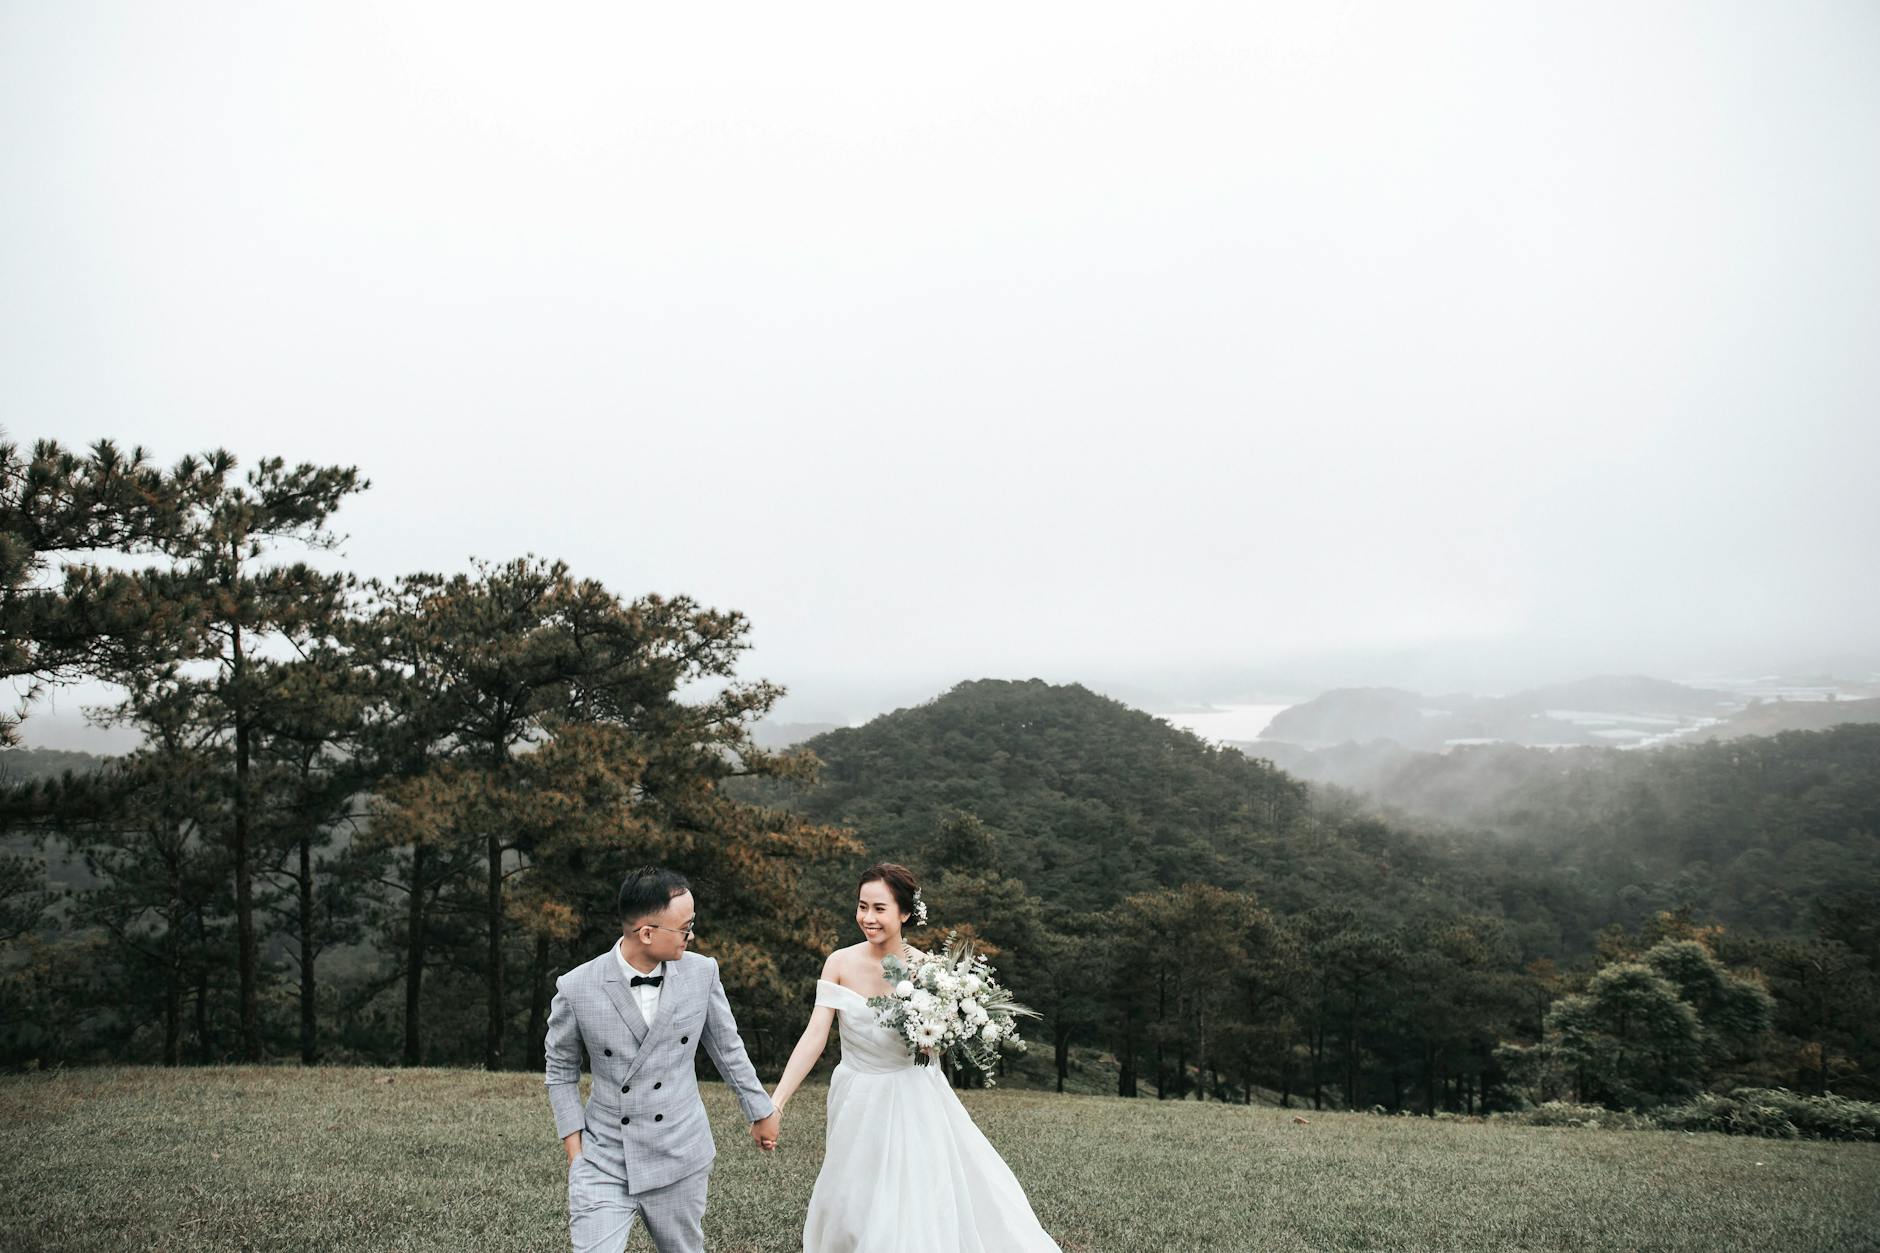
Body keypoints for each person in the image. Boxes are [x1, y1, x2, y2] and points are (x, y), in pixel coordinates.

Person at [768, 862, 1061, 1252]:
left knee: (909, 1197)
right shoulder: (839, 962)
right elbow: (815, 1035)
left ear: (905, 913)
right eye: (862, 907)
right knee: (851, 1197)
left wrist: (936, 1037)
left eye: (879, 908)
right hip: (854, 1094)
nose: (868, 918)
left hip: (913, 1095)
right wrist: (777, 1102)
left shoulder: (931, 973)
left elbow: (941, 1041)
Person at [544, 865, 781, 1253]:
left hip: (680, 1153)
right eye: (685, 928)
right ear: (646, 933)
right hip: (605, 1157)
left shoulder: (702, 973)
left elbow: (727, 1048)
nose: (692, 936)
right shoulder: (576, 987)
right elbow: (560, 1070)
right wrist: (576, 1152)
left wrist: (760, 1111)